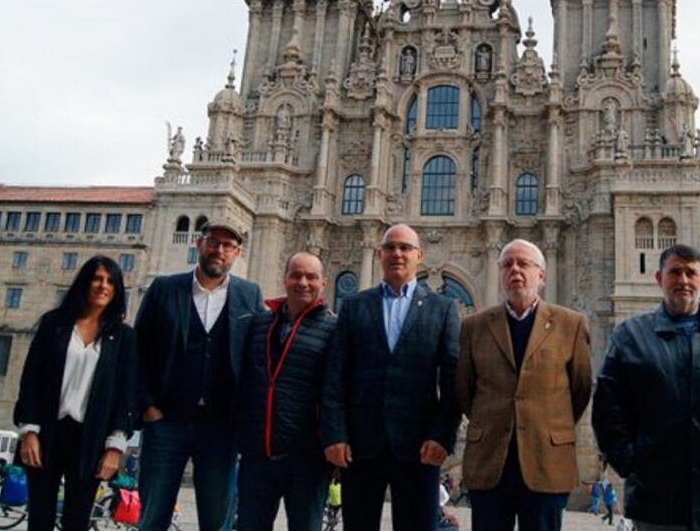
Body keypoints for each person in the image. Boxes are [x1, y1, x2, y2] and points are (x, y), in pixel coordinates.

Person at [592, 244, 700, 530]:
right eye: (675, 272)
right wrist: (630, 461)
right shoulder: (630, 336)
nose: (683, 280)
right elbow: (608, 407)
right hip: (655, 497)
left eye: (691, 273)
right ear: (658, 278)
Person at [321, 223, 461, 531]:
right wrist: (335, 434)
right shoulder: (355, 306)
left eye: (405, 248)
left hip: (419, 446)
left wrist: (442, 436)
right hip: (361, 443)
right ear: (380, 253)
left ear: (419, 255)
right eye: (391, 247)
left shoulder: (443, 308)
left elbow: (452, 381)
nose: (397, 253)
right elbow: (336, 376)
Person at [134, 220, 265, 531]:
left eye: (228, 245)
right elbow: (136, 352)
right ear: (199, 244)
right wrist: (148, 407)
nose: (219, 250)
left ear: (238, 253)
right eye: (213, 242)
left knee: (217, 519)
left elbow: (257, 358)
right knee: (152, 515)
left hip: (221, 428)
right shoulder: (164, 288)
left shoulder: (250, 295)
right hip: (166, 421)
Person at [456, 238, 592, 531]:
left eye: (524, 264)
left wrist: (550, 424)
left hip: (546, 463)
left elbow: (580, 389)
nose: (515, 270)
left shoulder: (571, 324)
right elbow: (465, 390)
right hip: (490, 462)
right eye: (507, 264)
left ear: (541, 276)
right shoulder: (474, 326)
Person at [14, 255, 137, 531]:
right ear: (84, 282)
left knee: (78, 520)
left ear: (117, 289)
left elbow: (125, 395)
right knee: (39, 518)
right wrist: (29, 431)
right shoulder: (53, 324)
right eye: (97, 278)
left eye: (109, 281)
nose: (102, 286)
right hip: (47, 431)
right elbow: (31, 379)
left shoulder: (124, 337)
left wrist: (115, 447)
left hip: (90, 436)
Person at [235, 251, 336, 531]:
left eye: (311, 277)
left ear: (323, 283)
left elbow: (337, 394)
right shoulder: (258, 324)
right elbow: (243, 382)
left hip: (309, 459)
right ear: (285, 278)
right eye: (296, 275)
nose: (303, 282)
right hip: (258, 455)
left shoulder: (334, 330)